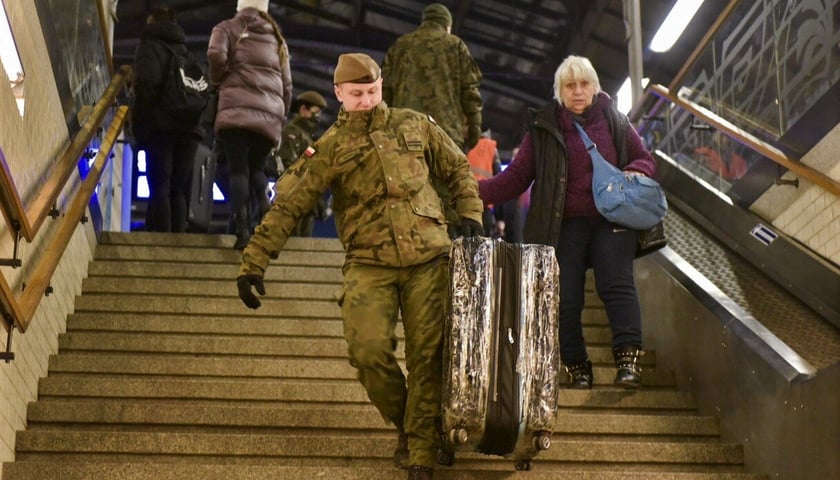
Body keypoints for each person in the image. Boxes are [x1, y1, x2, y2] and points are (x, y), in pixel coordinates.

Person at [235, 53, 483, 480]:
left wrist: (471, 214)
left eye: (372, 92)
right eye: (356, 94)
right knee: (367, 351)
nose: (366, 100)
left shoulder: (415, 123)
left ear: (381, 85)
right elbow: (289, 203)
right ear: (338, 95)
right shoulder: (328, 146)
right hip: (369, 261)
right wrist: (253, 261)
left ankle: (421, 452)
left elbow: (458, 167)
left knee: (429, 355)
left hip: (429, 255)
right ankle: (413, 423)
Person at [478, 55, 657, 390]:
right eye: (570, 85)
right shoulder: (543, 128)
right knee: (565, 298)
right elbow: (515, 178)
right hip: (563, 225)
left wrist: (637, 171)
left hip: (611, 220)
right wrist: (472, 192)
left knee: (616, 286)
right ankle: (577, 367)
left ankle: (628, 362)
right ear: (559, 91)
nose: (578, 91)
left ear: (595, 87)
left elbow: (644, 158)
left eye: (584, 84)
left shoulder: (615, 120)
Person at [381, 3, 483, 238]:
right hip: (446, 136)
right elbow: (471, 92)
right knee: (448, 200)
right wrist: (474, 131)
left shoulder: (401, 46)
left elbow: (384, 92)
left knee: (407, 197)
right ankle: (446, 259)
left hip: (403, 136)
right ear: (447, 26)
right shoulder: (455, 45)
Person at [207, 0, 293, 249]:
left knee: (238, 171)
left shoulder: (226, 28)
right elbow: (287, 85)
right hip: (269, 116)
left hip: (236, 111)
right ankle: (265, 205)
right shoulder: (277, 39)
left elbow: (215, 54)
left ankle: (243, 229)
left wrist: (217, 78)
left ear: (239, 6)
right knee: (257, 169)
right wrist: (279, 116)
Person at [131, 6, 203, 233]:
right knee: (179, 188)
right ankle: (178, 241)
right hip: (190, 127)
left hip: (161, 126)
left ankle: (161, 240)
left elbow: (146, 85)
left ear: (151, 21)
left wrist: (140, 122)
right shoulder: (186, 52)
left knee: (160, 184)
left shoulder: (149, 47)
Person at [274, 90, 330, 236]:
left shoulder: (310, 139)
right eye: (315, 112)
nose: (318, 118)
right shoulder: (292, 132)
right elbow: (291, 165)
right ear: (303, 110)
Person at [465, 129, 501, 233]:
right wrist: (499, 216)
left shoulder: (464, 143)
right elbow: (498, 178)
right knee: (483, 241)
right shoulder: (492, 147)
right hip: (485, 202)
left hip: (466, 201)